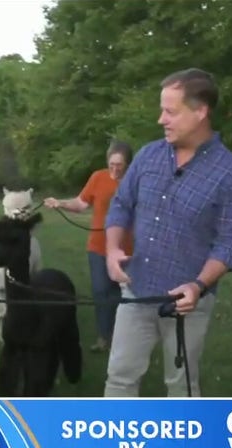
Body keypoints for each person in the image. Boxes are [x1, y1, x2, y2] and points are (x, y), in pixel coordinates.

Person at [70, 69, 232, 448]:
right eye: (161, 110)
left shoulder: (231, 176)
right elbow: (120, 208)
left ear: (200, 111)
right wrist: (114, 249)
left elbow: (228, 245)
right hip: (136, 291)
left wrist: (199, 285)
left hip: (186, 302)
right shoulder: (150, 157)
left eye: (170, 111)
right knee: (120, 373)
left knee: (182, 384)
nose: (161, 120)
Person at [43, 141, 135, 353]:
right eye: (111, 164)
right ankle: (104, 337)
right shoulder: (98, 178)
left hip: (126, 249)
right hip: (97, 247)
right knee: (101, 291)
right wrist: (60, 203)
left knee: (121, 294)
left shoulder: (135, 181)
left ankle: (122, 337)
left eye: (119, 165)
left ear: (128, 164)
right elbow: (81, 203)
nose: (114, 169)